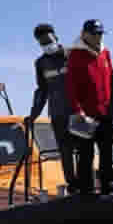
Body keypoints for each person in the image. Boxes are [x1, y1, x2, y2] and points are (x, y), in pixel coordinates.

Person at [25, 24, 77, 194]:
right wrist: (33, 115)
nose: (47, 45)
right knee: (65, 151)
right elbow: (42, 90)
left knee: (85, 148)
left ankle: (88, 184)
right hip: (58, 114)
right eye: (42, 43)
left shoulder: (72, 55)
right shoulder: (40, 63)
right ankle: (73, 186)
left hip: (78, 112)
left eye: (49, 41)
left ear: (56, 37)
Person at [66, 19, 113, 195]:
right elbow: (71, 85)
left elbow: (111, 79)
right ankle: (85, 192)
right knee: (86, 155)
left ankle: (107, 188)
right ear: (84, 34)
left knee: (107, 153)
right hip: (85, 114)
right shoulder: (75, 55)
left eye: (100, 33)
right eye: (94, 33)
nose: (98, 37)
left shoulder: (105, 53)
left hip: (105, 112)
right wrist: (77, 110)